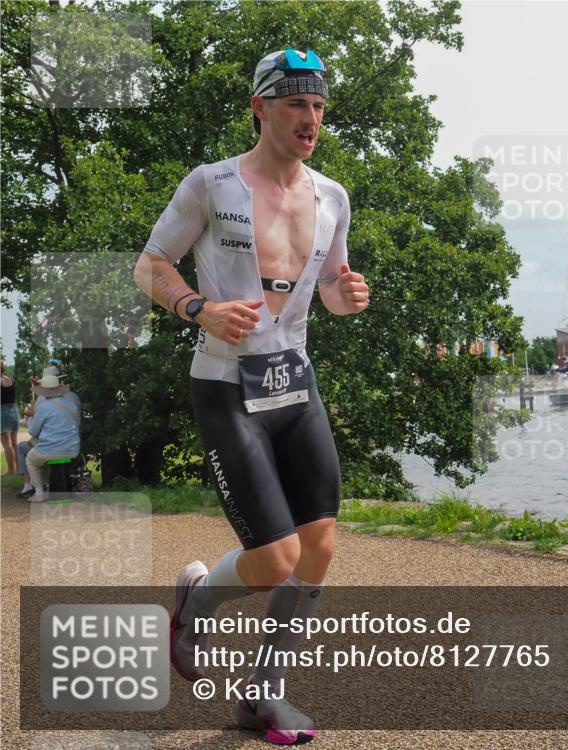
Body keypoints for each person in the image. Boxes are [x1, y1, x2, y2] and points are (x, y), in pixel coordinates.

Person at [133, 47, 368, 745]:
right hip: (227, 386)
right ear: (261, 107)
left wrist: (346, 297)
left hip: (294, 382)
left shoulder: (332, 197)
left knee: (320, 545)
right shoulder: (212, 185)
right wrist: (196, 308)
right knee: (275, 561)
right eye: (296, 103)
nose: (311, 118)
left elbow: (327, 289)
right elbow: (149, 265)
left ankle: (264, 695)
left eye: (319, 105)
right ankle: (196, 605)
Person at [16, 371, 81, 502]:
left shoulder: (44, 406)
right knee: (42, 456)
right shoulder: (70, 404)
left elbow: (33, 432)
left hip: (52, 449)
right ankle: (50, 487)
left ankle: (39, 492)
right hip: (73, 449)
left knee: (31, 459)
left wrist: (28, 419)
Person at [1, 361, 19, 477]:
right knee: (14, 442)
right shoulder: (10, 378)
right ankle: (19, 468)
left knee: (6, 443)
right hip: (14, 410)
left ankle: (11, 470)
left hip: (2, 411)